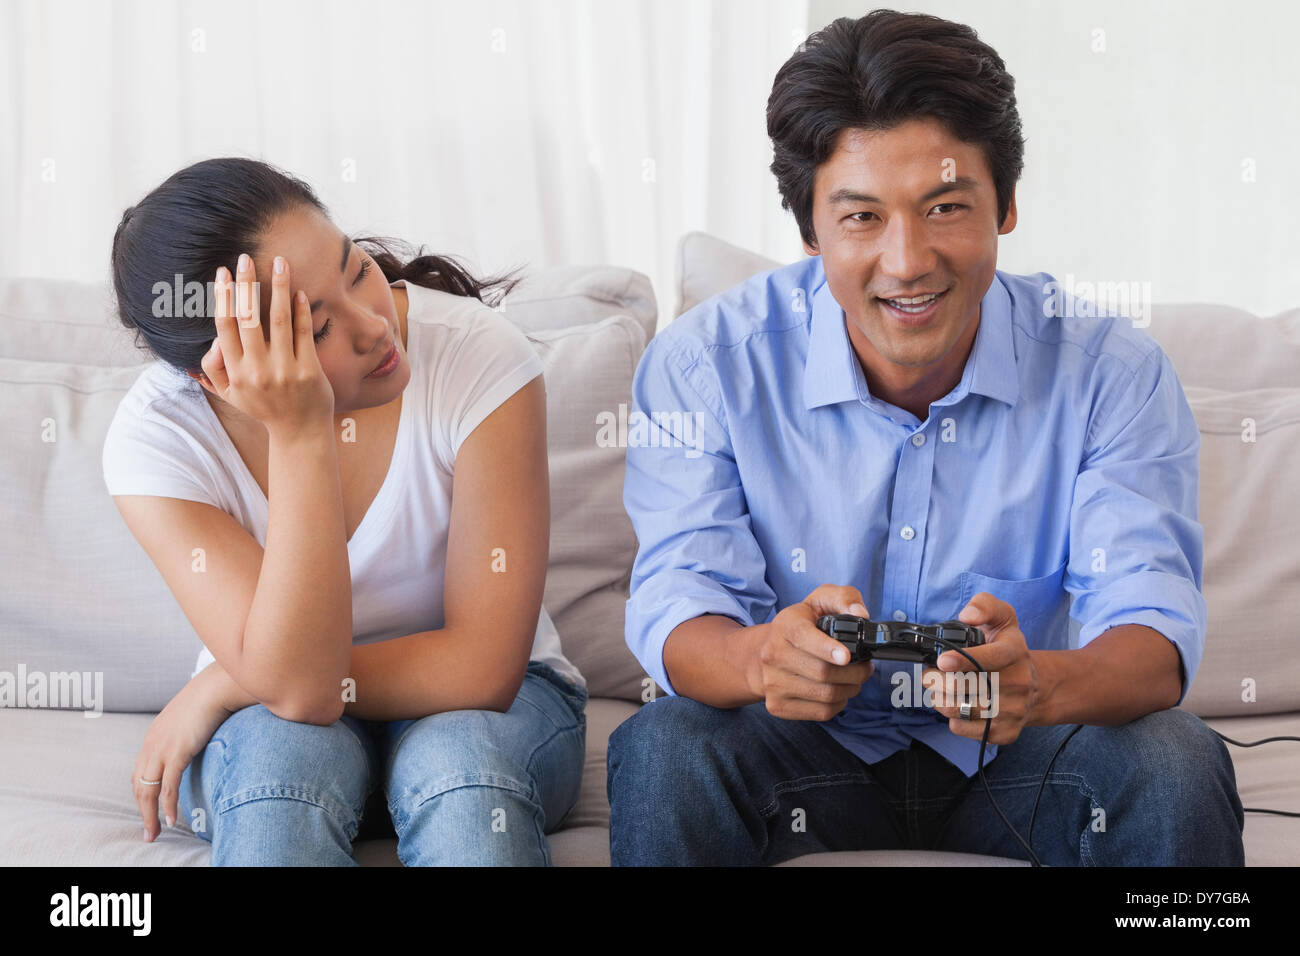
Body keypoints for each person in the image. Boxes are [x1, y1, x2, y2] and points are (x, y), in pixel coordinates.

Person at [607, 10, 1245, 866]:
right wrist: (765, 657)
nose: (907, 261)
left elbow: (1153, 639)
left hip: (1024, 760)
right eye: (862, 218)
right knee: (666, 746)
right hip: (801, 756)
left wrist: (1036, 683)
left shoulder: (1111, 374)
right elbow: (682, 602)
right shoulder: (704, 367)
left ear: (1007, 205)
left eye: (945, 207)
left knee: (1173, 757)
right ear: (808, 231)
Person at [102, 157, 587, 865]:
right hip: (279, 712)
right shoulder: (157, 439)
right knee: (278, 781)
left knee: (459, 777)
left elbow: (482, 667)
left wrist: (228, 681)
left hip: (493, 706)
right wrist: (300, 434)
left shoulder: (479, 356)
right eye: (316, 328)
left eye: (356, 268)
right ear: (221, 373)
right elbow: (300, 694)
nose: (374, 327)